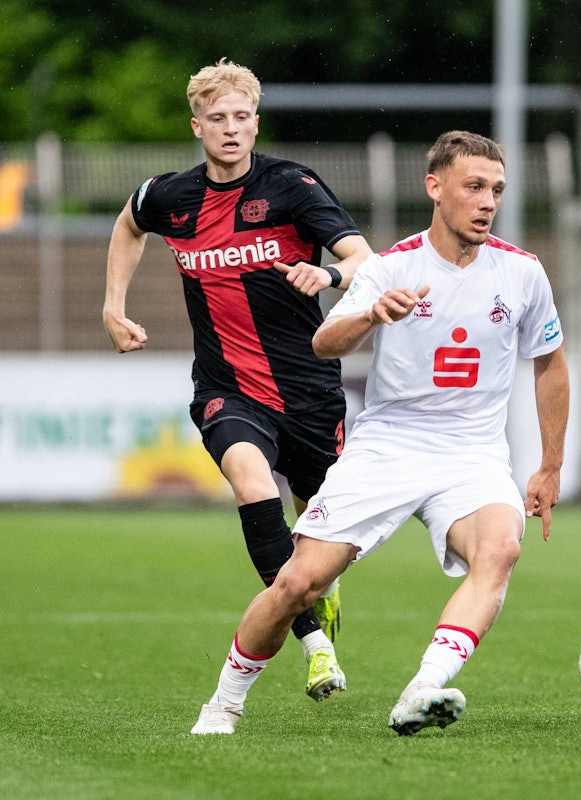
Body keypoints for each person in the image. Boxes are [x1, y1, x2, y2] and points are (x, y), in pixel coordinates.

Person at [189, 130, 570, 736]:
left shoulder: (522, 273)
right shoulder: (391, 266)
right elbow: (323, 342)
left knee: (500, 549)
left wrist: (549, 465)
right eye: (474, 187)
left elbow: (550, 364)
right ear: (435, 188)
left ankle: (424, 689)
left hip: (471, 452)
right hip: (389, 444)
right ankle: (224, 702)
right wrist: (372, 312)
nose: (487, 201)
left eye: (496, 189)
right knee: (299, 581)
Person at [103, 58, 374, 701]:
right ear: (198, 127)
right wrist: (113, 305)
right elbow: (127, 224)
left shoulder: (293, 187)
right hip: (228, 389)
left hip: (309, 391)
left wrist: (330, 277)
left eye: (242, 118)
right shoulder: (171, 196)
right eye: (218, 119)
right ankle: (316, 646)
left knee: (322, 528)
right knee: (253, 487)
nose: (231, 129)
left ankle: (321, 587)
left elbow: (365, 259)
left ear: (256, 123)